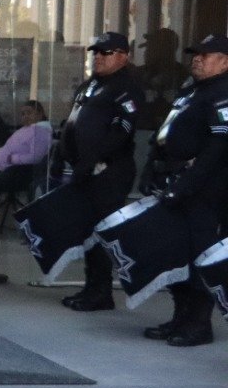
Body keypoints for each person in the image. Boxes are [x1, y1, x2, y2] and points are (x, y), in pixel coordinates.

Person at [136, 33, 228, 346]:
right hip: (171, 180)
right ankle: (180, 316)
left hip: (203, 191)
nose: (197, 60)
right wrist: (150, 169)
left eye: (206, 55)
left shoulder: (222, 93)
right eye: (195, 54)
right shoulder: (191, 91)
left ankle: (198, 325)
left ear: (224, 62)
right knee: (173, 252)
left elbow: (217, 148)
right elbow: (163, 133)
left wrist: (185, 187)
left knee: (198, 255)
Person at [55, 32, 144, 312]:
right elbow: (73, 121)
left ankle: (101, 292)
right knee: (87, 231)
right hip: (83, 171)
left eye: (106, 53)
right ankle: (92, 286)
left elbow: (120, 133)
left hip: (108, 172)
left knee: (102, 231)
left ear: (123, 57)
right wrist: (60, 154)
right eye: (96, 52)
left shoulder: (126, 88)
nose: (99, 58)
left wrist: (91, 160)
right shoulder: (90, 85)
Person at [0, 99, 53, 193]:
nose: (25, 116)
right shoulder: (27, 129)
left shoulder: (40, 132)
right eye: (23, 114)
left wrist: (13, 159)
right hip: (0, 167)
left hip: (15, 171)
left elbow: (36, 157)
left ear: (40, 114)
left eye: (29, 113)